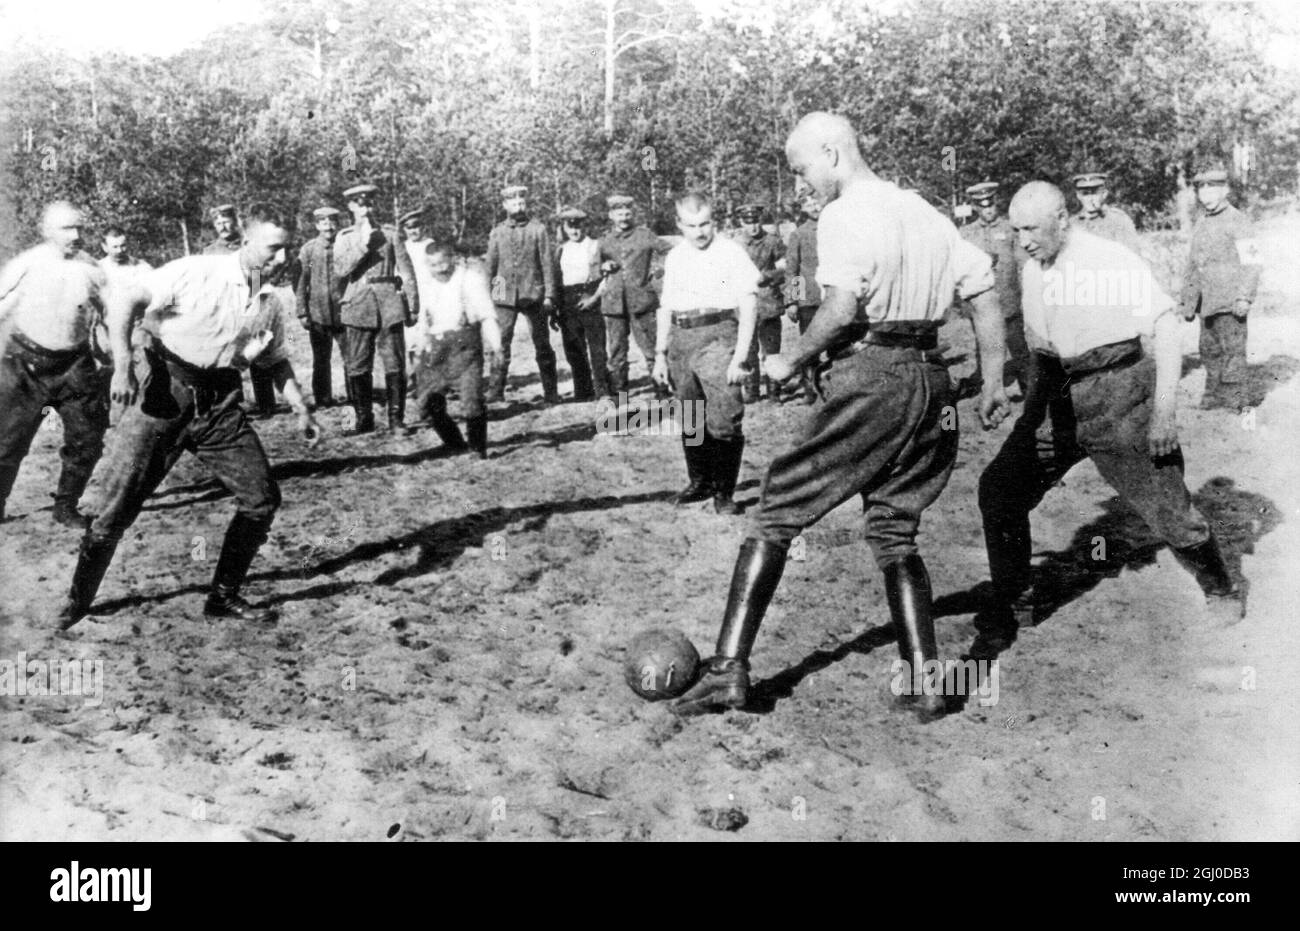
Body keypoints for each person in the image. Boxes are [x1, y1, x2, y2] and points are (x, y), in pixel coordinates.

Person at [671, 112, 1009, 720]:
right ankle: (924, 681)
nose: (803, 183)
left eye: (802, 169)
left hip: (872, 375)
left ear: (832, 152)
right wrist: (988, 381)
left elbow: (843, 304)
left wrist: (789, 359)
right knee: (893, 529)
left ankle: (728, 671)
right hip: (931, 381)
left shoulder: (845, 213)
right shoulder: (925, 211)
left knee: (776, 508)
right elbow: (984, 293)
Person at [974, 182, 1243, 656]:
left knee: (1168, 509)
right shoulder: (1033, 265)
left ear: (1062, 219)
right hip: (1055, 391)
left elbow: (1165, 324)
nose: (1023, 241)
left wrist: (1163, 412)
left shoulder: (1108, 259)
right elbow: (1040, 343)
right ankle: (1017, 598)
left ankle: (1220, 588)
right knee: (1000, 489)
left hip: (1118, 392)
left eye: (1031, 229)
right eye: (1016, 231)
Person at [56, 205, 321, 629]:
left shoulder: (270, 302)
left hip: (219, 405)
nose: (281, 258)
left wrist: (301, 406)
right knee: (114, 509)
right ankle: (77, 601)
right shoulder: (197, 272)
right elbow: (128, 300)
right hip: (165, 395)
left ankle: (222, 597)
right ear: (247, 241)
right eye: (273, 249)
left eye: (287, 249)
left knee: (261, 500)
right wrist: (123, 364)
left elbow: (273, 360)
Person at [0, 202, 109, 528]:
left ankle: (66, 506)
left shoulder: (92, 269)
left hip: (75, 364)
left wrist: (112, 353)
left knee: (88, 439)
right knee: (6, 442)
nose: (75, 236)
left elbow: (110, 314)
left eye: (79, 228)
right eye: (66, 229)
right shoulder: (26, 264)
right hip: (24, 364)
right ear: (47, 231)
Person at [653, 193, 759, 516]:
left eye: (705, 224)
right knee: (690, 415)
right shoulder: (675, 257)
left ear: (715, 221)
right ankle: (699, 482)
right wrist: (659, 353)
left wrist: (740, 355)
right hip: (682, 339)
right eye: (691, 226)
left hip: (718, 334)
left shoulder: (731, 252)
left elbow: (750, 302)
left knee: (724, 417)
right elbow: (665, 307)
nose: (699, 232)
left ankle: (724, 494)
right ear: (679, 225)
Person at [334, 182, 419, 435]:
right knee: (358, 364)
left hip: (389, 305)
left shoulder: (391, 234)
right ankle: (363, 418)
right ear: (350, 207)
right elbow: (340, 270)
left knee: (394, 364)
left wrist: (412, 305)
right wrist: (363, 244)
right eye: (359, 204)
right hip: (358, 304)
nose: (365, 209)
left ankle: (396, 419)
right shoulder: (345, 237)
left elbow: (407, 271)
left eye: (369, 203)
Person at [410, 241, 503, 458]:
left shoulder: (469, 279)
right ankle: (454, 442)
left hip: (465, 348)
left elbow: (487, 316)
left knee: (471, 400)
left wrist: (497, 347)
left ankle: (477, 448)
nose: (440, 269)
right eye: (433, 265)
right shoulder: (426, 284)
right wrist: (417, 352)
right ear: (427, 265)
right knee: (427, 403)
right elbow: (423, 322)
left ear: (453, 259)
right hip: (436, 348)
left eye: (444, 263)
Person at [1180, 168, 1261, 411]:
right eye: (1202, 188)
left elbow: (1253, 262)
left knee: (1232, 351)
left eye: (1212, 187)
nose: (1206, 194)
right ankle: (1213, 394)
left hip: (1230, 302)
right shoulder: (1202, 222)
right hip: (1208, 303)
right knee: (1209, 351)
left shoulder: (1239, 221)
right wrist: (1188, 301)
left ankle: (1235, 399)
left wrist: (1244, 297)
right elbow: (1194, 264)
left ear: (1225, 190)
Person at [485, 185, 559, 404]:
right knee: (500, 343)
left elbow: (547, 263)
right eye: (513, 203)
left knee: (542, 343)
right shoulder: (497, 231)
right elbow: (491, 265)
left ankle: (551, 392)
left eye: (522, 203)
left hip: (533, 294)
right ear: (505, 206)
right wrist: (489, 297)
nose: (518, 207)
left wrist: (549, 295)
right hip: (503, 296)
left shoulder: (538, 229)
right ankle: (495, 391)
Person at [597, 194, 673, 405]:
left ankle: (663, 393)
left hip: (642, 302)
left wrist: (659, 268)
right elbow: (594, 267)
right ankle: (620, 397)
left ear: (632, 214)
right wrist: (602, 267)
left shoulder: (645, 235)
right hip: (614, 305)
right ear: (611, 215)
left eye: (627, 213)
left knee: (651, 350)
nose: (623, 217)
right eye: (619, 213)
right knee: (617, 354)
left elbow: (671, 250)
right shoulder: (604, 240)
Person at [958, 181, 1031, 393]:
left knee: (1018, 347)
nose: (987, 210)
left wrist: (1026, 297)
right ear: (975, 207)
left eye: (990, 204)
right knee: (983, 343)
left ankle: (1029, 388)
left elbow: (1022, 264)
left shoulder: (1010, 229)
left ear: (996, 203)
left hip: (1008, 300)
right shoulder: (966, 233)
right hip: (981, 302)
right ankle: (986, 385)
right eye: (982, 206)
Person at [207, 203, 277, 419]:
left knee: (258, 351)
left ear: (235, 222)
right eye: (218, 223)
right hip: (226, 308)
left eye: (226, 221)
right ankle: (232, 405)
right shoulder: (209, 251)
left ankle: (266, 403)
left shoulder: (247, 245)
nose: (223, 226)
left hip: (250, 304)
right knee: (228, 357)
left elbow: (256, 271)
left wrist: (254, 300)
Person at [295, 206, 349, 408]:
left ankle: (354, 395)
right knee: (321, 359)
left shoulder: (345, 246)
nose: (328, 226)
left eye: (332, 222)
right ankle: (323, 398)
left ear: (338, 224)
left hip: (344, 312)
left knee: (350, 358)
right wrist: (302, 311)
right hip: (318, 315)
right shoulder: (308, 250)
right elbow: (300, 281)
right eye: (323, 222)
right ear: (317, 225)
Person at [733, 203, 786, 403]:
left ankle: (774, 392)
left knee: (772, 351)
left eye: (756, 221)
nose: (753, 227)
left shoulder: (773, 241)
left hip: (769, 303)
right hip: (745, 305)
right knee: (749, 350)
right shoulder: (735, 244)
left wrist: (767, 276)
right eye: (748, 222)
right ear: (741, 223)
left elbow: (785, 267)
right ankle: (752, 391)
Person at [554, 206, 604, 401]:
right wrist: (556, 309)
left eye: (579, 226)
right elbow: (557, 280)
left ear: (585, 226)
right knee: (573, 347)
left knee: (597, 346)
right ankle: (583, 390)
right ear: (564, 228)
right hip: (568, 300)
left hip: (590, 294)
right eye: (570, 227)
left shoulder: (595, 245)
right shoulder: (560, 250)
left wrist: (594, 297)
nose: (575, 231)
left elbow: (606, 276)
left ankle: (602, 388)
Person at [783, 192, 823, 405]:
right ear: (803, 209)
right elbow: (792, 269)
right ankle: (810, 391)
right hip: (810, 299)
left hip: (835, 296)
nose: (815, 207)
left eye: (818, 202)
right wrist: (792, 301)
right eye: (810, 203)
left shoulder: (835, 227)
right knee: (809, 347)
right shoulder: (799, 234)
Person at [1071, 172, 1141, 254]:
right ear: (1078, 196)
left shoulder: (1118, 220)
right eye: (1085, 194)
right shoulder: (1073, 224)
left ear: (1104, 194)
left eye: (1094, 193)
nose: (1090, 199)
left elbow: (1132, 255)